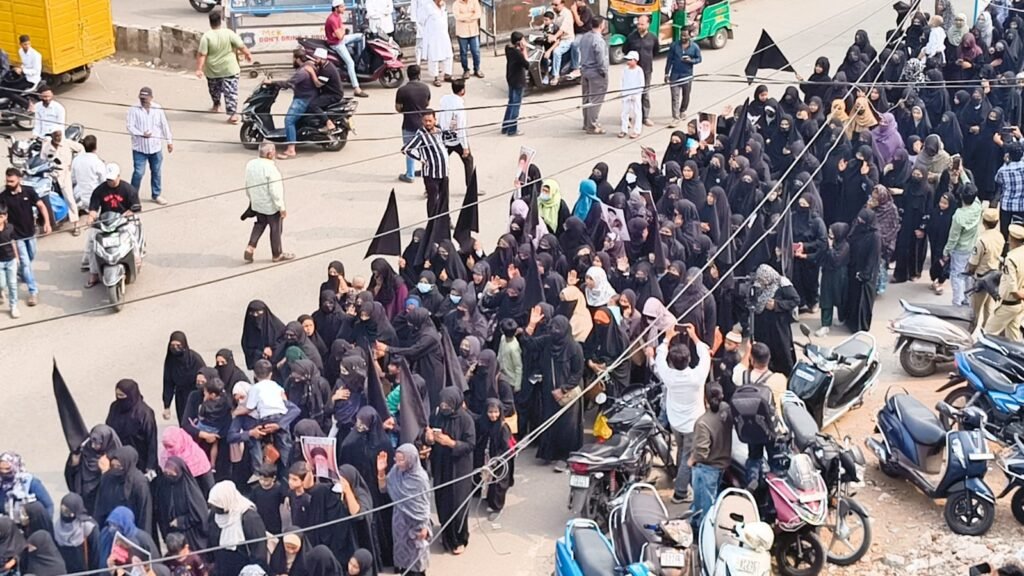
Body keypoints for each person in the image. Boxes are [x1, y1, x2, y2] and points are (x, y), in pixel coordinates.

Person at [651, 322, 711, 504]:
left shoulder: (668, 375)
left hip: (675, 421)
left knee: (681, 449)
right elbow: (705, 354)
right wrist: (694, 336)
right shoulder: (697, 376)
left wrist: (667, 338)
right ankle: (680, 493)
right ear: (688, 359)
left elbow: (659, 355)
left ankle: (679, 476)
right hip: (693, 423)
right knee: (687, 456)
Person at [83, 163, 142, 290]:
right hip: (105, 222)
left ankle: (136, 258)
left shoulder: (128, 189)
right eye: (108, 179)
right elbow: (94, 208)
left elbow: (135, 207)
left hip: (123, 221)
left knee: (131, 233)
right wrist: (90, 217)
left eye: (112, 179)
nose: (110, 181)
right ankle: (93, 272)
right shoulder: (100, 190)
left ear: (118, 176)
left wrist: (127, 214)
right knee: (92, 240)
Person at [378, 444, 432, 576]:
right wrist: (381, 472)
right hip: (400, 524)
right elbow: (383, 489)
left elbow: (425, 505)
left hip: (416, 527)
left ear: (411, 459)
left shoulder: (420, 479)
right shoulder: (396, 471)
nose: (398, 463)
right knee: (403, 565)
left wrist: (425, 527)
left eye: (402, 460)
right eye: (396, 459)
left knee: (416, 566)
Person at [1, 167, 51, 308]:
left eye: (12, 181)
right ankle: (33, 291)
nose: (8, 183)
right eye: (7, 180)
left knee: (31, 255)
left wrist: (47, 223)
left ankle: (21, 273)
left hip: (30, 233)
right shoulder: (3, 197)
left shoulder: (29, 191)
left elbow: (41, 206)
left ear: (19, 180)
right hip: (16, 237)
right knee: (26, 262)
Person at [196, 9, 253, 124]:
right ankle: (233, 115)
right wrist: (248, 55)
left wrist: (199, 69)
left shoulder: (206, 37)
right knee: (231, 92)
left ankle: (216, 105)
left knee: (214, 90)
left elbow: (202, 54)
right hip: (230, 69)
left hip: (213, 71)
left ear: (210, 22)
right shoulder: (229, 33)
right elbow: (241, 45)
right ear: (220, 21)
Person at [689, 384, 731, 528]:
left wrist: (691, 460)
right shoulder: (726, 410)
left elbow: (701, 452)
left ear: (704, 398)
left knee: (703, 508)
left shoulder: (703, 423)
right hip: (722, 465)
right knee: (712, 501)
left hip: (706, 469)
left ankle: (701, 534)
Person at [244, 143, 293, 263]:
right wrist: (281, 207)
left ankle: (250, 247)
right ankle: (277, 254)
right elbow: (275, 191)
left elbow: (247, 183)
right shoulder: (271, 169)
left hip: (257, 203)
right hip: (270, 206)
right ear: (270, 154)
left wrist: (251, 198)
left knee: (260, 224)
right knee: (275, 228)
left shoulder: (251, 164)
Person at [206, 481, 268, 576]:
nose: (214, 509)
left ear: (227, 501)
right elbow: (211, 538)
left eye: (218, 506)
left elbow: (259, 549)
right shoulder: (215, 515)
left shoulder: (249, 518)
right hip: (221, 567)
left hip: (242, 569)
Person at [269, 49, 322, 159]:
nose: (292, 60)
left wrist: (272, 82)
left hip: (303, 99)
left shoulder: (302, 72)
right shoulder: (310, 66)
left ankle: (291, 149)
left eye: (293, 58)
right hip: (311, 96)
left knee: (289, 120)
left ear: (297, 59)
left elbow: (288, 83)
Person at [126, 86, 173, 206]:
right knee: (138, 173)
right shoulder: (133, 109)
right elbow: (130, 127)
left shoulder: (157, 109)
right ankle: (132, 196)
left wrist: (169, 141)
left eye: (145, 98)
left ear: (151, 98)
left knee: (156, 171)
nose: (143, 101)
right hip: (139, 148)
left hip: (155, 147)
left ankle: (156, 194)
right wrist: (141, 134)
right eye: (141, 98)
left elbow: (164, 125)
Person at [751, 264, 799, 376]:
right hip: (763, 327)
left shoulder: (782, 284)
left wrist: (777, 305)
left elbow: (795, 300)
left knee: (782, 351)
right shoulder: (759, 285)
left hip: (778, 327)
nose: (762, 282)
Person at [402, 109, 450, 220]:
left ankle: (445, 220)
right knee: (433, 199)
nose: (427, 123)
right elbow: (407, 149)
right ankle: (432, 222)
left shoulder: (439, 131)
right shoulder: (421, 135)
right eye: (425, 121)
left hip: (444, 172)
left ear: (434, 120)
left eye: (430, 121)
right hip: (431, 174)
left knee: (444, 199)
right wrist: (421, 158)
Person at [93, 446, 153, 530]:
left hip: (131, 530)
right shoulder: (107, 478)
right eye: (113, 465)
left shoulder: (139, 483)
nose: (115, 469)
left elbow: (144, 513)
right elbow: (99, 506)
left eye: (119, 466)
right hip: (109, 527)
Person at [943, 187, 983, 307]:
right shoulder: (977, 206)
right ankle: (968, 299)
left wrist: (946, 251)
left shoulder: (959, 215)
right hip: (973, 247)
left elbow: (953, 237)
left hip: (960, 249)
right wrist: (962, 173)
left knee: (957, 275)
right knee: (969, 275)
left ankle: (957, 302)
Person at [39, 129, 84, 234]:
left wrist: (74, 164)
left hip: (64, 175)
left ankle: (76, 223)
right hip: (51, 175)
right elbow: (42, 159)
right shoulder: (46, 146)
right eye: (56, 135)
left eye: (59, 135)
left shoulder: (67, 143)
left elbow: (81, 148)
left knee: (69, 198)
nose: (58, 138)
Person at [985, 224, 1024, 339]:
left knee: (988, 335)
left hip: (1009, 304)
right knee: (1013, 335)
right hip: (1019, 305)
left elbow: (1013, 290)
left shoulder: (1011, 259)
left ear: (1011, 239)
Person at [968, 208, 1005, 330]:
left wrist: (970, 271)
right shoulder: (1000, 236)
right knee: (989, 308)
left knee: (974, 311)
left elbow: (974, 262)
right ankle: (986, 332)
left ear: (983, 222)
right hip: (994, 276)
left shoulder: (981, 240)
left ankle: (970, 333)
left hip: (981, 277)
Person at [846, 208, 881, 332]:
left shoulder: (875, 236)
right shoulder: (857, 229)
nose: (859, 222)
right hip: (854, 267)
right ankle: (850, 322)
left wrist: (865, 274)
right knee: (852, 298)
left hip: (866, 273)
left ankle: (861, 326)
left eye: (862, 220)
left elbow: (873, 257)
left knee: (863, 301)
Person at [396, 65, 432, 183]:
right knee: (424, 149)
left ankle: (410, 174)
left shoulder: (402, 90)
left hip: (408, 124)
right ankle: (425, 170)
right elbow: (427, 104)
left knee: (409, 149)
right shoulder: (425, 88)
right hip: (423, 124)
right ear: (419, 74)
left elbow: (398, 107)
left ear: (408, 75)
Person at [325, 0, 369, 98]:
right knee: (350, 63)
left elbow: (341, 32)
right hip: (336, 44)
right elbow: (340, 36)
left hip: (341, 40)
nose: (344, 8)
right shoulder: (332, 19)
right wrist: (342, 30)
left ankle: (361, 60)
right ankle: (356, 88)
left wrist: (342, 31)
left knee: (361, 36)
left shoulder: (338, 16)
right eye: (342, 7)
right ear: (336, 8)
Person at [162, 331, 207, 424]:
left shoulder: (195, 359)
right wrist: (167, 406)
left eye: (178, 345)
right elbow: (168, 383)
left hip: (196, 395)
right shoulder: (170, 361)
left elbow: (205, 377)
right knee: (184, 424)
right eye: (172, 345)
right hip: (181, 397)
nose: (175, 348)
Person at [438, 79, 475, 185]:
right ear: (463, 91)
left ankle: (433, 187)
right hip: (457, 139)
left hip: (444, 137)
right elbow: (461, 128)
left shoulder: (444, 99)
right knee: (468, 160)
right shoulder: (460, 107)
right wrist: (465, 147)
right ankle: (470, 187)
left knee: (440, 162)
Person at [816, 223, 850, 337]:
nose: (829, 235)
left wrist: (830, 248)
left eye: (832, 233)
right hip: (828, 274)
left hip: (839, 276)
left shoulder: (845, 246)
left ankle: (842, 318)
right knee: (826, 299)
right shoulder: (831, 243)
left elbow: (836, 259)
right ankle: (825, 324)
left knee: (841, 298)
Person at [54, 493, 101, 573]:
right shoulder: (58, 526)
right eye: (63, 510)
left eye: (68, 511)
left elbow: (96, 554)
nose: (65, 514)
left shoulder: (88, 527)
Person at [665, 29, 701, 127]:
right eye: (682, 36)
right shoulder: (674, 46)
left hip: (687, 75)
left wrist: (691, 60)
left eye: (685, 36)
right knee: (675, 97)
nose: (683, 38)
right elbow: (669, 60)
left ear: (690, 36)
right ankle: (675, 118)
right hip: (675, 75)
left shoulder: (694, 47)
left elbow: (699, 59)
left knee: (686, 96)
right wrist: (666, 73)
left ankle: (682, 111)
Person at [579, 17, 609, 135]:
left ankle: (587, 122)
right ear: (602, 25)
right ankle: (592, 125)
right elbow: (600, 59)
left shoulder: (585, 37)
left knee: (586, 98)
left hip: (585, 70)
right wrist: (603, 71)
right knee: (595, 100)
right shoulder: (598, 40)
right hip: (596, 73)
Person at [625, 15, 656, 127]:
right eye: (638, 23)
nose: (639, 26)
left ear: (648, 25)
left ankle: (645, 117)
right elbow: (625, 50)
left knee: (645, 94)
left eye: (642, 24)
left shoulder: (652, 37)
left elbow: (655, 51)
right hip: (632, 71)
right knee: (629, 95)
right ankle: (627, 117)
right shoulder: (631, 37)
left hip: (646, 71)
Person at [71, 135, 105, 219]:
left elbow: (72, 178)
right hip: (94, 199)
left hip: (79, 196)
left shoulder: (76, 160)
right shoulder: (98, 163)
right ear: (95, 147)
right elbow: (103, 181)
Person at [502, 32, 530, 137]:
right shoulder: (517, 53)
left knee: (511, 102)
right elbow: (527, 64)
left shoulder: (508, 48)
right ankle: (512, 129)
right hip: (518, 80)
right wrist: (524, 50)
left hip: (511, 78)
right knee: (515, 105)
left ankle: (505, 126)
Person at [423, 0, 454, 86]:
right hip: (433, 36)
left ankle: (448, 74)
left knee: (449, 55)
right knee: (434, 56)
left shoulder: (443, 5)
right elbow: (422, 20)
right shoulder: (428, 6)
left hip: (444, 34)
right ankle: (435, 77)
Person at [997, 142, 1024, 239]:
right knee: (1020, 232)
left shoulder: (1003, 170)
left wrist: (1006, 162)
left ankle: (1004, 249)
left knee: (1004, 232)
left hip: (1006, 205)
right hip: (1021, 206)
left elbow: (998, 180)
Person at [547, 0, 576, 85]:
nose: (554, 6)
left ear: (562, 4)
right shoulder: (552, 11)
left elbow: (562, 30)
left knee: (556, 52)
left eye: (556, 5)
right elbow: (547, 20)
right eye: (552, 4)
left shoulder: (567, 14)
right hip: (555, 38)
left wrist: (555, 36)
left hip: (566, 39)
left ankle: (556, 76)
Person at [454, 0, 483, 78]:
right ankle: (466, 70)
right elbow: (458, 16)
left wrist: (465, 17)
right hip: (462, 33)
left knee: (476, 52)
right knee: (463, 53)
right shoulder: (456, 3)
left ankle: (477, 69)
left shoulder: (474, 1)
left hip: (474, 32)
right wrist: (471, 15)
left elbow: (478, 14)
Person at [619, 51, 645, 139]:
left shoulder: (639, 70)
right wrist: (622, 92)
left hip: (636, 95)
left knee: (637, 113)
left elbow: (642, 84)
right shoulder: (625, 70)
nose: (628, 62)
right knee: (624, 112)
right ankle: (624, 129)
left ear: (636, 60)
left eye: (630, 60)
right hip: (626, 94)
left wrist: (636, 94)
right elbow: (622, 81)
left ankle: (637, 130)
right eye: (627, 60)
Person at [0, 207, 19, 318]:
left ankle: (13, 306)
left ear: (5, 216)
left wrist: (17, 257)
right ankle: (1, 291)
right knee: (2, 284)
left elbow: (13, 243)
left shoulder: (10, 228)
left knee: (12, 284)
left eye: (1, 216)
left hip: (10, 259)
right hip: (0, 262)